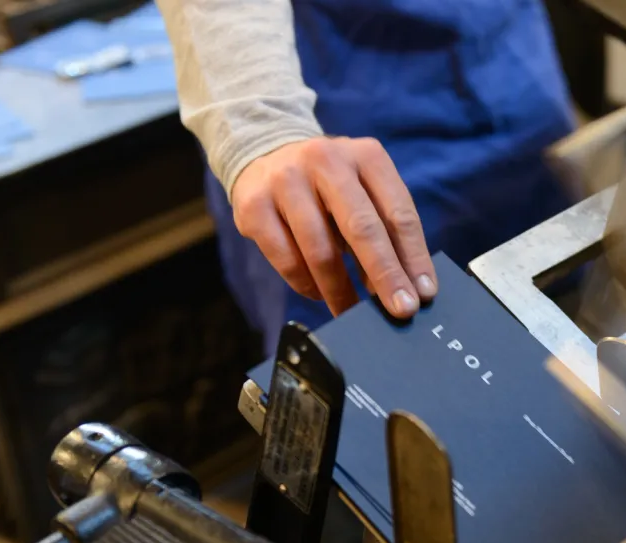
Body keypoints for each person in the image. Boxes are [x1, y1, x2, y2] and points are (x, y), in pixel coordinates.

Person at [155, 0, 577, 355]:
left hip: (515, 85)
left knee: (564, 354)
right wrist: (265, 128)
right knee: (372, 387)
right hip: (343, 146)